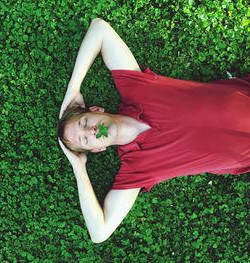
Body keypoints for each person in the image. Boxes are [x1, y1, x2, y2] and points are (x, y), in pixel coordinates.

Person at [57, 18, 250, 243]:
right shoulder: (136, 168)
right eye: (85, 140)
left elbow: (100, 29)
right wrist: (78, 168)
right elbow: (99, 232)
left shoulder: (135, 88)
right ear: (98, 149)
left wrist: (73, 90)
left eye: (84, 122)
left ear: (97, 110)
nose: (91, 131)